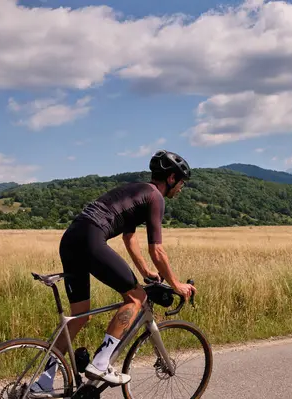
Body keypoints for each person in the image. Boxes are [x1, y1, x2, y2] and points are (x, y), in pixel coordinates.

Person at [30, 149, 197, 396]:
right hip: (91, 238)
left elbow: (129, 237)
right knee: (136, 298)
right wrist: (176, 284)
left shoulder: (137, 190)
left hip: (71, 238)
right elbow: (157, 250)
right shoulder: (155, 197)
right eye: (181, 182)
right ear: (171, 178)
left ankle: (45, 378)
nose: (181, 188)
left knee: (79, 316)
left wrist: (146, 272)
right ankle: (100, 363)